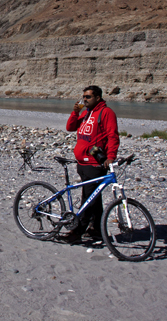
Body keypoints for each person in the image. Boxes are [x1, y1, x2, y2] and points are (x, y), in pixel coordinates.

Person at [64, 85, 120, 242]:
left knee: (88, 197)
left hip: (95, 163)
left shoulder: (106, 113)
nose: (85, 100)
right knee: (94, 197)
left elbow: (112, 136)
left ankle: (77, 231)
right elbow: (70, 127)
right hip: (82, 163)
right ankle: (97, 229)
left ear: (98, 98)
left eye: (88, 97)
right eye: (84, 97)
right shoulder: (86, 113)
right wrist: (75, 112)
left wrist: (111, 156)